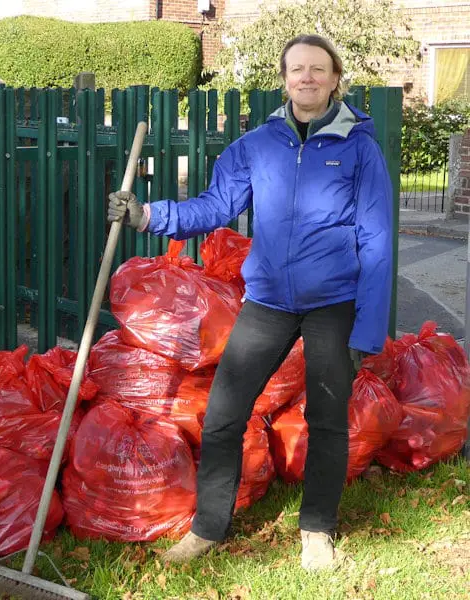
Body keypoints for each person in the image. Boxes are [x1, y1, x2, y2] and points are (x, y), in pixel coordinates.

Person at [108, 34, 393, 571]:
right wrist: (149, 217)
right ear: (284, 80)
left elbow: (377, 240)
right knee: (222, 415)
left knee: (329, 420)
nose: (306, 78)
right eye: (296, 70)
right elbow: (215, 205)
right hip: (268, 301)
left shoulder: (359, 147)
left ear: (335, 79)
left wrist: (367, 332)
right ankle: (208, 528)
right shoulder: (258, 144)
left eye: (317, 69)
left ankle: (316, 531)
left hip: (334, 303)